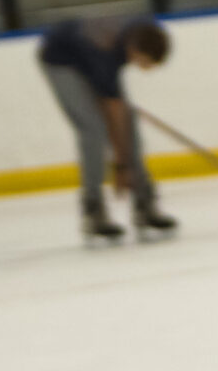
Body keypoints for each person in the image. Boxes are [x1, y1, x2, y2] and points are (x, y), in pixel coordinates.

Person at [37, 13, 173, 245]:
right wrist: (121, 167)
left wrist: (125, 164)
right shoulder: (105, 50)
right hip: (61, 60)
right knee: (93, 130)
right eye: (143, 62)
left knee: (127, 124)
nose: (143, 68)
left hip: (90, 55)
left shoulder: (141, 30)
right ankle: (93, 209)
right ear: (134, 49)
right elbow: (112, 110)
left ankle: (144, 202)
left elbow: (116, 109)